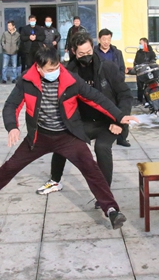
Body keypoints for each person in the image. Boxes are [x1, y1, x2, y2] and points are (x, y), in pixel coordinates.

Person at [0, 46, 139, 230]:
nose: (55, 72)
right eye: (50, 69)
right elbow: (11, 105)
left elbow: (96, 98)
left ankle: (112, 210)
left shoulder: (70, 79)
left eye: (57, 67)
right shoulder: (27, 80)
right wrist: (12, 127)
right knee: (11, 166)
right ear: (38, 67)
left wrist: (119, 116)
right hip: (39, 136)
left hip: (68, 136)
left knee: (91, 168)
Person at [36, 33, 133, 205]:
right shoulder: (68, 71)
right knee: (62, 139)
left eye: (89, 51)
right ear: (73, 51)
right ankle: (55, 180)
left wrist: (119, 121)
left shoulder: (107, 67)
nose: (86, 56)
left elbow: (125, 95)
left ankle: (104, 194)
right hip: (84, 121)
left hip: (109, 121)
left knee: (102, 147)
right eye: (81, 53)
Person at [94, 28, 130, 146]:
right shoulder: (94, 53)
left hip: (115, 85)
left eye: (108, 39)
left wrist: (119, 80)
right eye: (104, 39)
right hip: (100, 86)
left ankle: (122, 137)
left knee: (120, 110)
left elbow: (122, 68)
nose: (106, 42)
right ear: (99, 39)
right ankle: (104, 134)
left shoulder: (117, 53)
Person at [132, 37, 157, 105]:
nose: (140, 45)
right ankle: (140, 100)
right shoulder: (138, 52)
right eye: (139, 43)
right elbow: (135, 61)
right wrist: (136, 68)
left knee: (148, 86)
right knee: (140, 87)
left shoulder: (151, 52)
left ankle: (148, 100)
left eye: (141, 43)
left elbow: (153, 61)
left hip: (148, 72)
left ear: (145, 43)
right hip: (140, 72)